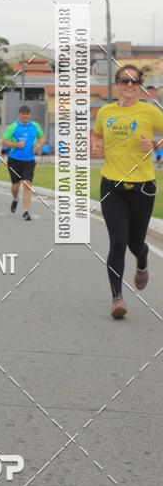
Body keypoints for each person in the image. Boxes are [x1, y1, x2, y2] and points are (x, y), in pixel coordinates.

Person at [91, 65, 163, 319]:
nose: (129, 85)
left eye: (135, 81)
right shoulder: (105, 111)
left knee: (136, 243)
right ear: (117, 84)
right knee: (118, 240)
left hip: (143, 187)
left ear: (140, 85)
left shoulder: (149, 111)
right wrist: (95, 146)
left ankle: (142, 261)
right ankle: (117, 299)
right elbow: (96, 135)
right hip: (112, 185)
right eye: (125, 80)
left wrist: (155, 144)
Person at [2, 106, 44, 221]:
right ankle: (15, 199)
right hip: (14, 160)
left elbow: (42, 138)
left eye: (28, 114)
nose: (25, 116)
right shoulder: (13, 127)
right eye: (23, 114)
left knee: (27, 184)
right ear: (19, 115)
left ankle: (26, 211)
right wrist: (15, 145)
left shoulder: (35, 126)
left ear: (30, 115)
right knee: (15, 186)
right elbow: (4, 141)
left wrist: (39, 146)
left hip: (29, 161)